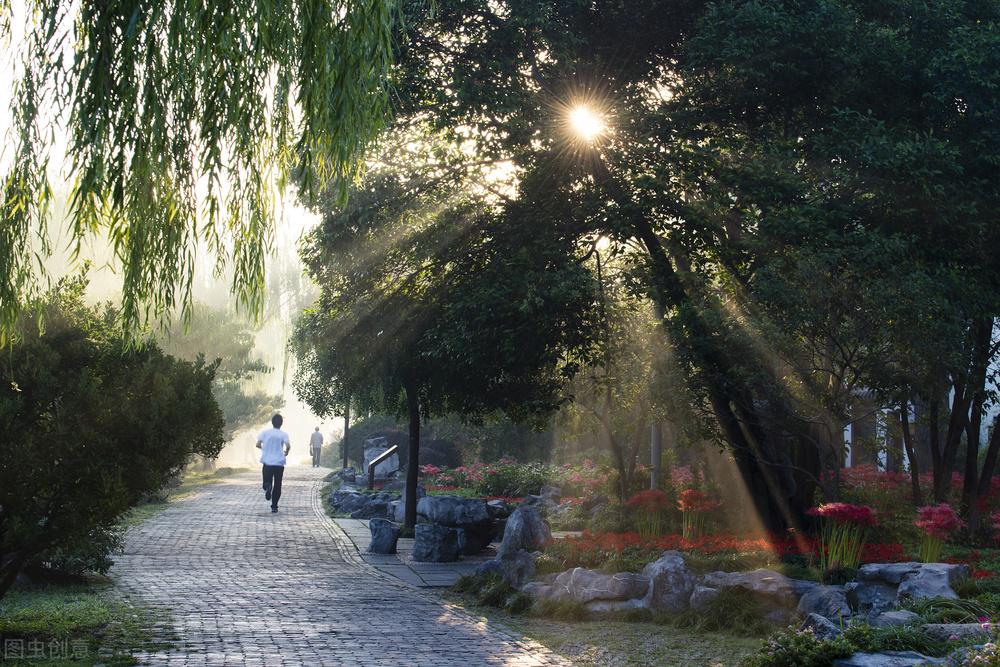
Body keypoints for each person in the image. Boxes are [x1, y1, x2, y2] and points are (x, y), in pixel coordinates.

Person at [256, 414, 290, 513]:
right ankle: (274, 506)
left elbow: (257, 444)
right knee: (278, 484)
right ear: (281, 423)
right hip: (279, 463)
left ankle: (267, 486)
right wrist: (286, 452)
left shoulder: (265, 433)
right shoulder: (283, 434)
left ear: (272, 422)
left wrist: (265, 449)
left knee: (266, 481)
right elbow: (288, 445)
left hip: (267, 462)